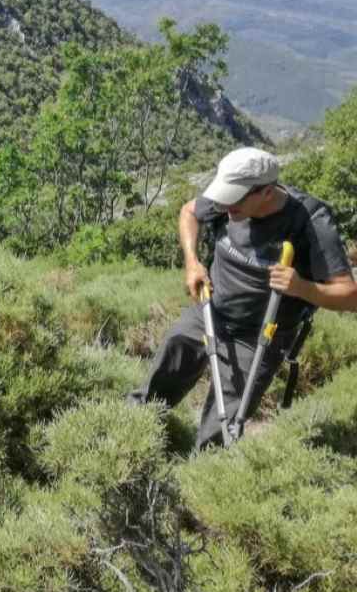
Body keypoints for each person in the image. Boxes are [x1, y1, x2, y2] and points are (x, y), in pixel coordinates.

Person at [129, 147, 357, 446]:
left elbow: (350, 296)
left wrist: (303, 288)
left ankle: (204, 478)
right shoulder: (228, 201)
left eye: (234, 199)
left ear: (266, 192)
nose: (224, 206)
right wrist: (191, 261)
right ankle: (131, 435)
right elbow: (189, 211)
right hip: (213, 308)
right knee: (169, 361)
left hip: (260, 334)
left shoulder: (309, 221)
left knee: (222, 426)